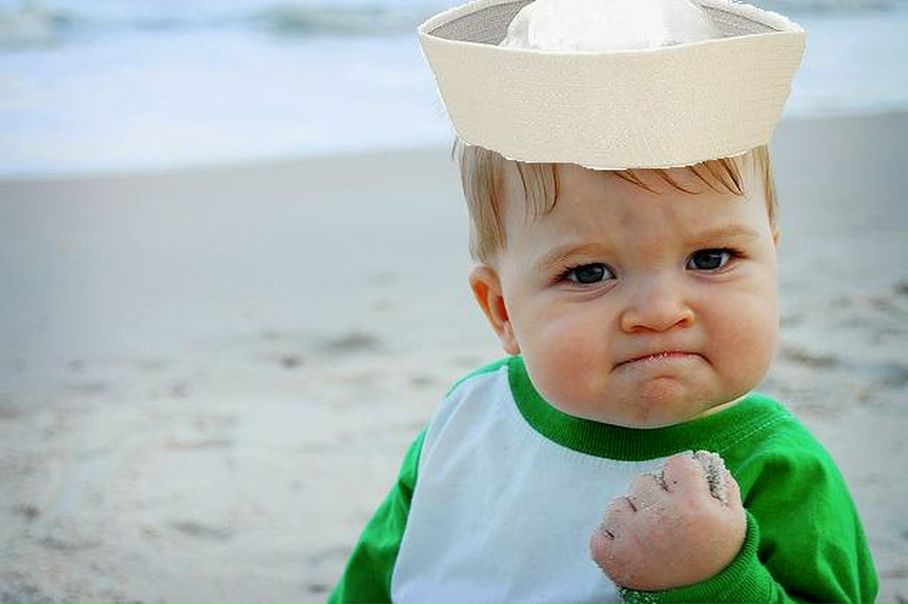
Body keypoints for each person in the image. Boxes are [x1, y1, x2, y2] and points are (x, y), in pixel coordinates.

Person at [329, 0, 879, 601]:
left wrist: (714, 579)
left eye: (710, 259)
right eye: (589, 272)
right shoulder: (469, 420)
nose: (661, 311)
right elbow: (377, 577)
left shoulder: (778, 469)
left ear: (772, 258)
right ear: (502, 311)